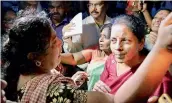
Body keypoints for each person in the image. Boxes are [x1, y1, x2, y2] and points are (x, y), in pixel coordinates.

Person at [1, 9, 172, 103]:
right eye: (54, 42)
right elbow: (114, 101)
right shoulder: (55, 91)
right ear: (34, 57)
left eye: (125, 40)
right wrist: (162, 49)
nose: (60, 43)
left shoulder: (19, 77)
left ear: (141, 43)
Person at [93, 15, 172, 103]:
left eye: (125, 41)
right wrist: (97, 91)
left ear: (141, 43)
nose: (118, 47)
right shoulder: (111, 60)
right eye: (113, 40)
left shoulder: (157, 77)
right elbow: (102, 86)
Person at [61, 23, 112, 90]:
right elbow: (73, 58)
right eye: (100, 36)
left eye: (105, 37)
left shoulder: (119, 59)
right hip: (91, 96)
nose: (101, 40)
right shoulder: (94, 51)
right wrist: (53, 56)